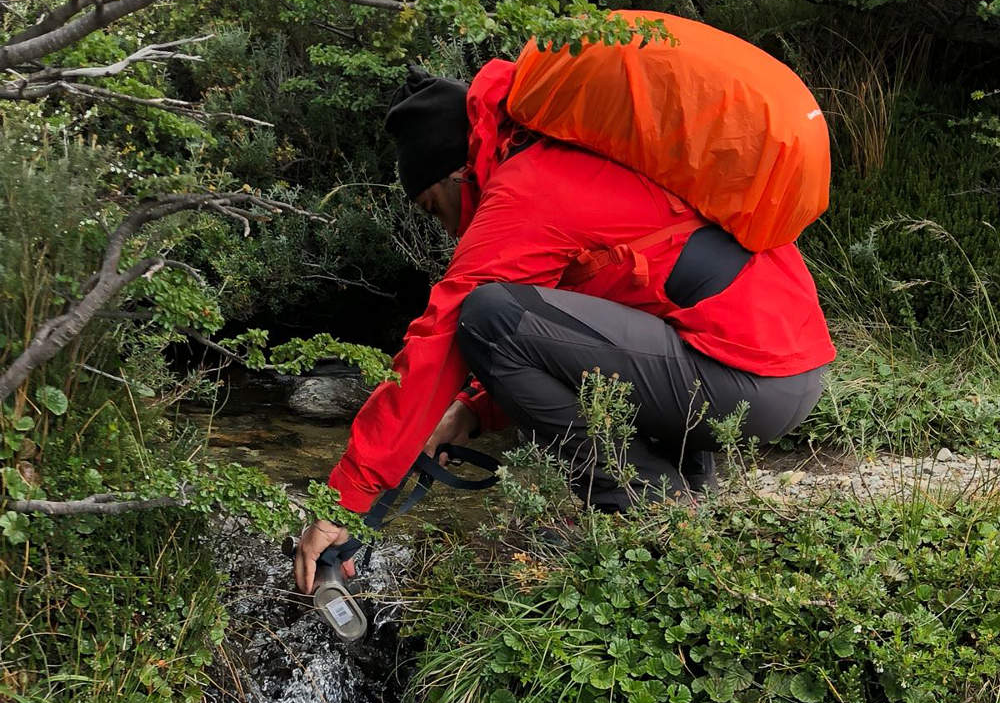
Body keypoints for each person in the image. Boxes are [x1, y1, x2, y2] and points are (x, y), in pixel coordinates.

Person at [294, 60, 835, 596]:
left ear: (458, 171)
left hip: (748, 379)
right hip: (778, 373)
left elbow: (443, 337)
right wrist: (473, 410)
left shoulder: (527, 187)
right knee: (516, 325)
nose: (446, 226)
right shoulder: (569, 164)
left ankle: (652, 512)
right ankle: (695, 505)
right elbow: (580, 332)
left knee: (485, 316)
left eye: (433, 208)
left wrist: (345, 499)